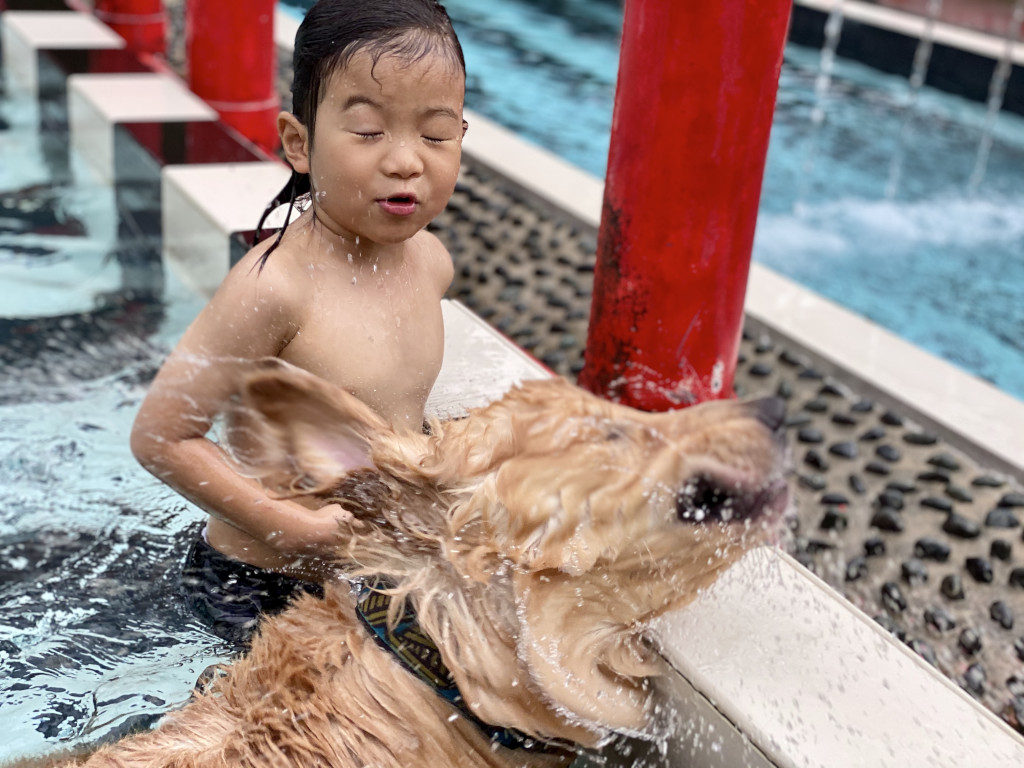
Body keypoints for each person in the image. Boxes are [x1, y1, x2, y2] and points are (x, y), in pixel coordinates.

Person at [130, 0, 467, 649]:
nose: (406, 161)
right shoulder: (275, 289)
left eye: (435, 134)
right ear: (299, 144)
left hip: (365, 575)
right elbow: (161, 437)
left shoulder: (430, 264)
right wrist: (286, 525)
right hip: (252, 585)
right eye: (369, 132)